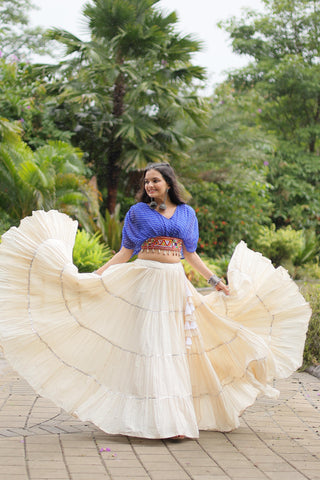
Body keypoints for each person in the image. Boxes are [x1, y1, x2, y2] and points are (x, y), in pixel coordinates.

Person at [0, 162, 311, 440]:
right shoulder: (137, 213)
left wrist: (215, 281)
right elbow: (125, 251)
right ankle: (150, 420)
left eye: (155, 181)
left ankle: (173, 420)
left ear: (169, 183)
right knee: (150, 347)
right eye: (146, 182)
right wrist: (96, 275)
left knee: (173, 349)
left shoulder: (187, 214)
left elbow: (190, 253)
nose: (149, 186)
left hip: (174, 285)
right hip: (144, 283)